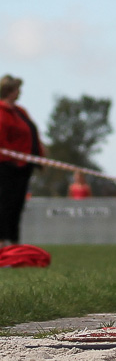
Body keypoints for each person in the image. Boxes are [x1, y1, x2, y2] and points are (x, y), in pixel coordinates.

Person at [0, 76, 44, 245]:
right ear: (10, 91)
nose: (20, 92)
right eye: (17, 89)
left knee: (17, 205)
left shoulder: (20, 111)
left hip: (24, 167)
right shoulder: (2, 113)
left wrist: (38, 156)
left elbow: (31, 132)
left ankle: (14, 243)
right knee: (5, 205)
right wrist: (13, 160)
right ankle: (2, 244)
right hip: (7, 167)